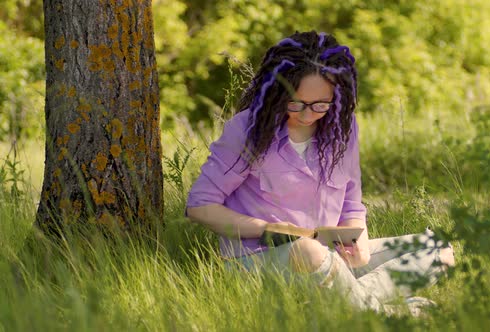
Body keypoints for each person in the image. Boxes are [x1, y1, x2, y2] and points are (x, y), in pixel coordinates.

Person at [186, 31, 455, 316]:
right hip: (260, 260)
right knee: (308, 251)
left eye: (320, 105)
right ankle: (384, 315)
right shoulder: (246, 130)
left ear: (335, 97)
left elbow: (352, 203)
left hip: (330, 255)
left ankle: (345, 302)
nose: (306, 114)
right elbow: (200, 207)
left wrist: (359, 243)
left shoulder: (344, 129)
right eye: (295, 103)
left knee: (438, 251)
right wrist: (267, 230)